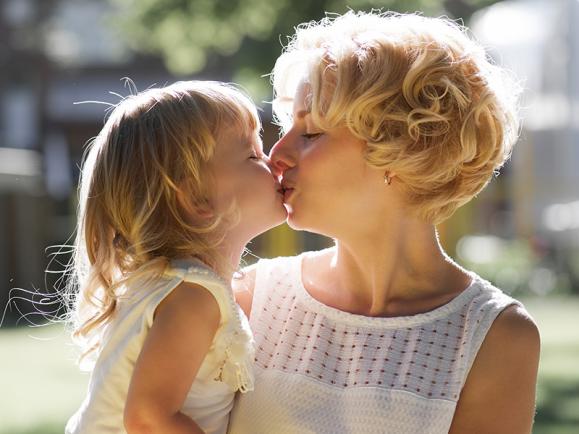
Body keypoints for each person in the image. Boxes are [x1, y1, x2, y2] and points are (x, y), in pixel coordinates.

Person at [228, 11, 540, 434]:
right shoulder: (248, 299)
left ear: (401, 147)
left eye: (312, 133)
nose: (276, 153)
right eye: (288, 128)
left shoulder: (494, 337)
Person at [65, 80, 286, 433]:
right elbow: (149, 418)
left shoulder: (169, 284)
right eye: (253, 155)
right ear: (197, 200)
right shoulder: (192, 297)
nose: (273, 161)